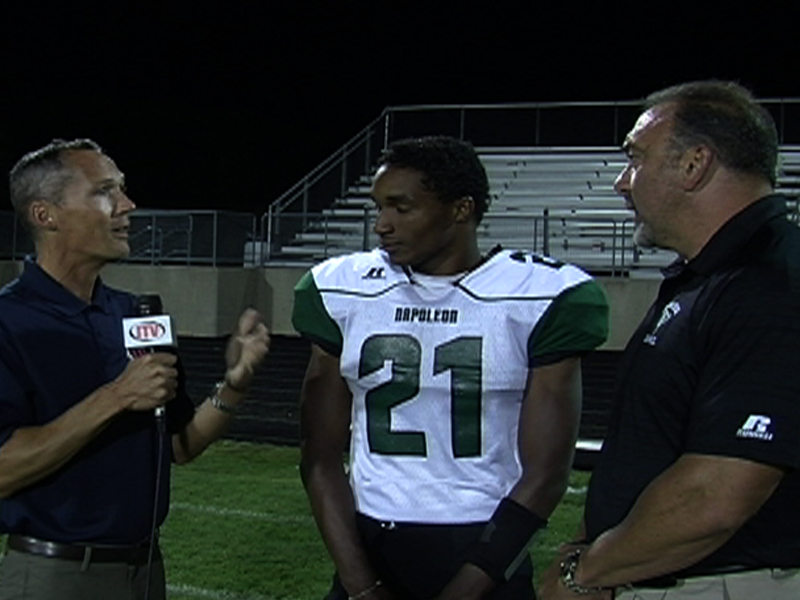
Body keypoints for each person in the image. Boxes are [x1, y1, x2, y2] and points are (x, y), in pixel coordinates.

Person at [292, 135, 609, 600]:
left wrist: (466, 588)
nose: (381, 225)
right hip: (368, 541)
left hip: (483, 542)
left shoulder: (540, 295)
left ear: (462, 209)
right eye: (379, 207)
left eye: (402, 208)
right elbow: (318, 456)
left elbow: (546, 474)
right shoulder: (344, 289)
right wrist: (361, 587)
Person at [538, 80, 800, 600]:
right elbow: (652, 445)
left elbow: (717, 495)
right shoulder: (709, 275)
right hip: (665, 575)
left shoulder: (770, 284)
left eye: (635, 159)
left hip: (726, 584)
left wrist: (583, 574)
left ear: (693, 164)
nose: (621, 182)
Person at [0, 138, 270, 600]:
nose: (128, 205)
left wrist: (236, 382)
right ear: (46, 215)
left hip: (145, 571)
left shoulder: (135, 314)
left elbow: (181, 445)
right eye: (106, 191)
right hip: (53, 577)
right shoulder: (9, 321)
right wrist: (117, 396)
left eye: (122, 190)